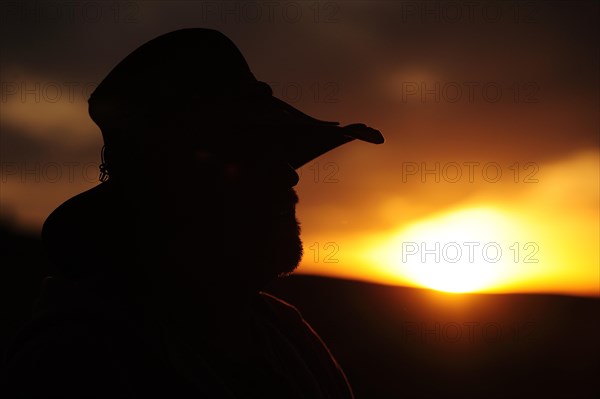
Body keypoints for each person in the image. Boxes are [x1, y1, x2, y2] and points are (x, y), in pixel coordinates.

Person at [4, 28, 383, 398]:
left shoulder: (286, 334)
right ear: (168, 190)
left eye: (280, 154)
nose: (288, 176)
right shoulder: (72, 364)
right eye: (249, 158)